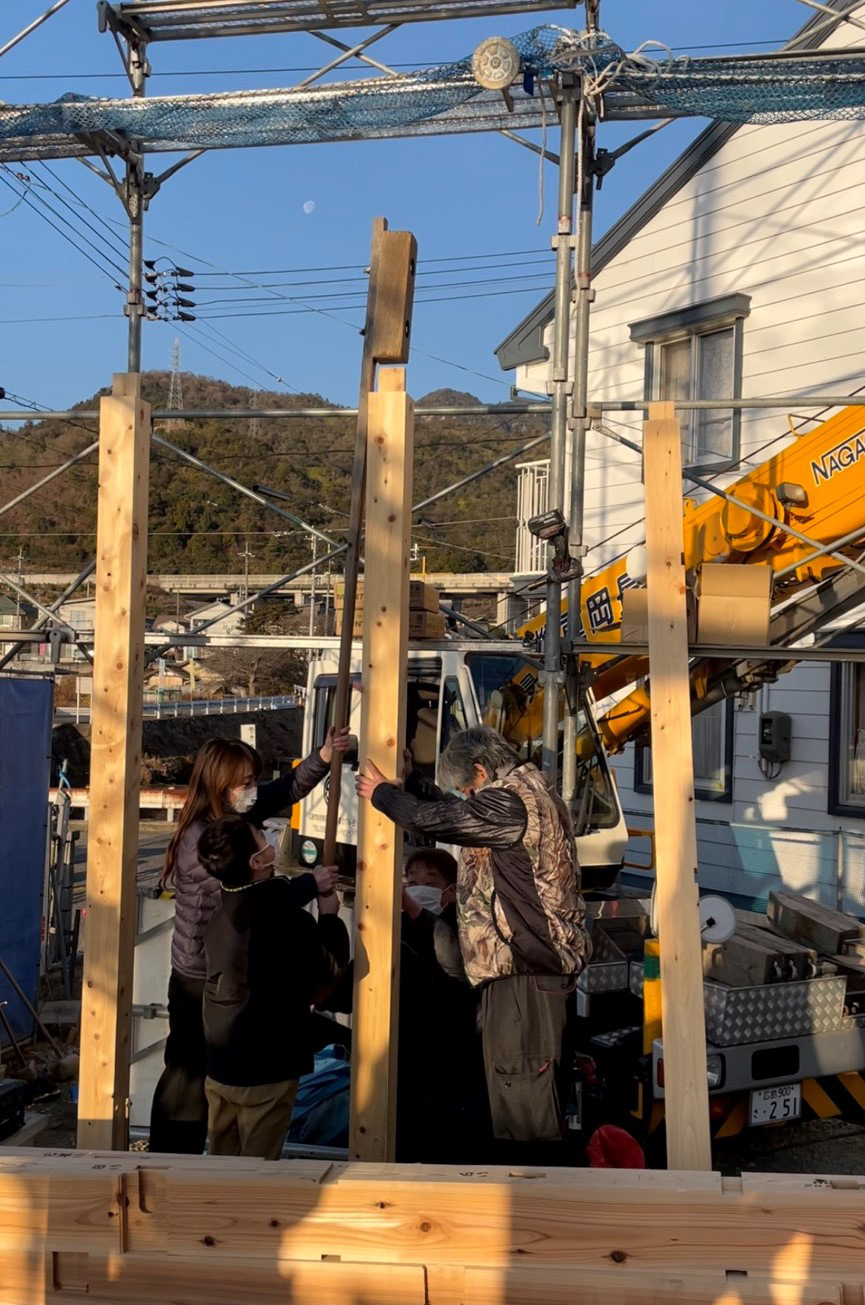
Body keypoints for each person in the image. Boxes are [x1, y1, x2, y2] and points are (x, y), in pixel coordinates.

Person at [356, 725, 589, 1150]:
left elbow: (446, 820)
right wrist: (414, 782)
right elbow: (459, 811)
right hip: (525, 972)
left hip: (525, 974)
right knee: (517, 1086)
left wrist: (384, 795)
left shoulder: (512, 802)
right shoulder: (522, 793)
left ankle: (530, 1184)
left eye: (468, 789)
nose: (466, 798)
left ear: (482, 771)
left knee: (524, 1094)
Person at [149, 727, 349, 1154]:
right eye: (245, 782)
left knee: (220, 1075)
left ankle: (214, 1163)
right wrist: (310, 885)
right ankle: (171, 1163)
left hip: (230, 970)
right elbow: (250, 899)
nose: (253, 790)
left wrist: (323, 756)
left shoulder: (234, 821)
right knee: (187, 1077)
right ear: (220, 784)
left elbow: (286, 789)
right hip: (200, 976)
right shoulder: (204, 840)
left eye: (253, 779)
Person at [198, 816, 349, 1159]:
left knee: (220, 1165)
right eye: (260, 836)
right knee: (258, 1170)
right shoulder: (285, 921)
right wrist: (329, 918)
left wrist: (308, 885)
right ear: (256, 861)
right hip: (265, 1068)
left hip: (221, 1065)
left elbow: (267, 900)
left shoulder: (224, 915)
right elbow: (328, 969)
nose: (269, 837)